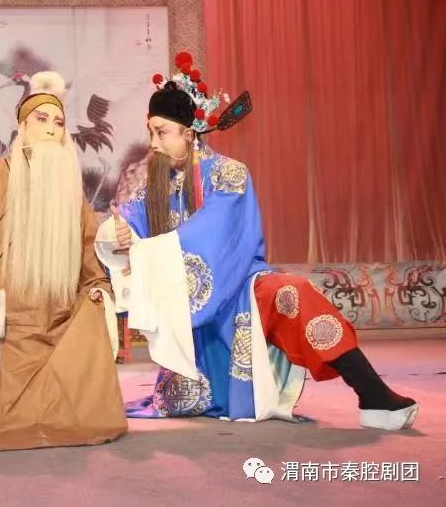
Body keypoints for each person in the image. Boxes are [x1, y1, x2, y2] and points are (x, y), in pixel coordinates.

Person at [95, 51, 418, 430]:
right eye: (151, 132)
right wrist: (118, 235)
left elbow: (215, 234)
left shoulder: (230, 174)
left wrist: (149, 250)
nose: (153, 142)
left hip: (240, 287)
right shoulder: (152, 186)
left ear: (189, 133)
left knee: (293, 293)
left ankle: (372, 393)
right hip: (184, 305)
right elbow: (125, 222)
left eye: (162, 132)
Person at [0, 71, 127, 452]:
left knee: (78, 409)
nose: (51, 128)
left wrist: (98, 287)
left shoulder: (70, 190)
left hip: (58, 319)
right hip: (5, 322)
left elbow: (88, 253)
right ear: (22, 127)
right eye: (42, 119)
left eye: (59, 123)